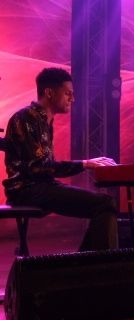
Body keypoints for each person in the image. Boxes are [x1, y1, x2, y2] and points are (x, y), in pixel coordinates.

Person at [2, 67, 119, 251]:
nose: (72, 99)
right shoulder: (25, 118)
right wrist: (84, 164)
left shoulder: (43, 120)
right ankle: (91, 264)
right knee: (104, 204)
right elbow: (37, 168)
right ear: (49, 92)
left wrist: (83, 165)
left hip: (41, 186)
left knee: (105, 203)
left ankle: (89, 262)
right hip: (26, 190)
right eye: (67, 93)